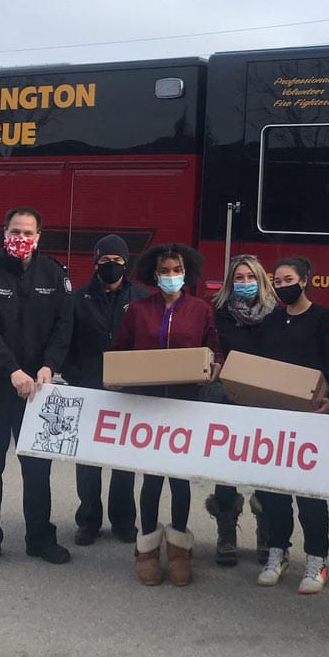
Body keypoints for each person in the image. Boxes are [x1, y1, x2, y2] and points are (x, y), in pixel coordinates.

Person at [0, 206, 74, 571]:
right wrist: (12, 371)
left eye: (27, 232)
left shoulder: (55, 274)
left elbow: (63, 326)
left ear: (39, 236)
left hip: (37, 389)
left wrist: (48, 367)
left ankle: (40, 538)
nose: (20, 239)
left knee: (37, 469)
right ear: (4, 233)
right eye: (15, 231)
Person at [111, 243, 223, 586]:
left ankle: (178, 550)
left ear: (186, 273)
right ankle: (146, 549)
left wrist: (214, 365)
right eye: (165, 271)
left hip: (184, 402)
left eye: (176, 270)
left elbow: (214, 347)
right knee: (152, 479)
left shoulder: (201, 310)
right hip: (147, 404)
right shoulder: (139, 309)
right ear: (154, 275)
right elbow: (120, 350)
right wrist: (119, 376)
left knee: (179, 478)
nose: (171, 276)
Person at [254, 256, 329, 594]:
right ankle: (277, 554)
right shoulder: (272, 321)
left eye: (288, 279)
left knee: (310, 494)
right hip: (276, 418)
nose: (283, 286)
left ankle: (316, 560)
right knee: (274, 491)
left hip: (312, 420)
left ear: (305, 280)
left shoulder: (324, 319)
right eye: (277, 282)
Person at [62, 234, 150, 546]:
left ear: (127, 264)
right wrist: (77, 379)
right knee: (87, 461)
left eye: (117, 261)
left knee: (123, 462)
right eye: (104, 261)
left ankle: (124, 521)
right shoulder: (77, 300)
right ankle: (88, 520)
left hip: (128, 393)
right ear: (95, 263)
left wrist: (137, 380)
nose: (111, 266)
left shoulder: (142, 299)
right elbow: (64, 346)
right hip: (88, 390)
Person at [206, 254, 277, 566]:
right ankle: (226, 533)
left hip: (265, 400)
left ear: (261, 280)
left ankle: (267, 533)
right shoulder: (217, 311)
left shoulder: (276, 313)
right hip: (228, 398)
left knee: (265, 468)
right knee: (226, 467)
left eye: (250, 278)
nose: (245, 283)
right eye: (239, 278)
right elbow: (209, 348)